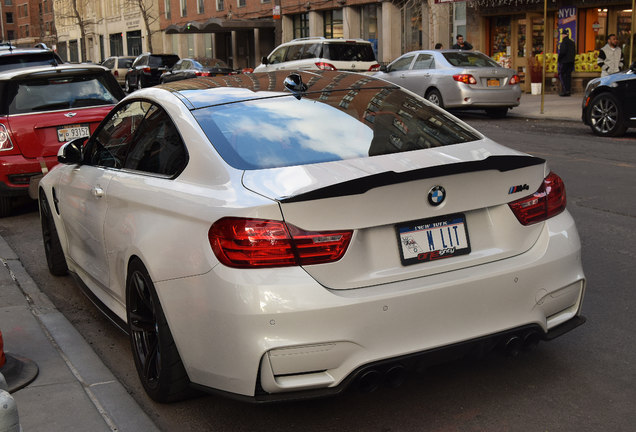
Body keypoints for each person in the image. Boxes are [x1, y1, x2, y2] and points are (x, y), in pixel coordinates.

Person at [557, 29, 576, 96]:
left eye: (562, 34)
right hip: (571, 62)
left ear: (563, 35)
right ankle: (568, 90)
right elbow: (574, 52)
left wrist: (559, 59)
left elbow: (562, 52)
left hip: (564, 62)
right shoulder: (572, 42)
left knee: (563, 76)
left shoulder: (564, 42)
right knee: (568, 76)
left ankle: (565, 91)